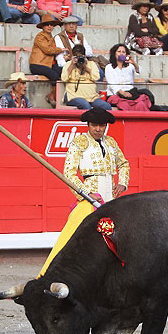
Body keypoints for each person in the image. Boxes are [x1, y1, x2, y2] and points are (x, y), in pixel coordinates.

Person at [37, 107, 129, 276]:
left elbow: (123, 164)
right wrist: (86, 193)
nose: (98, 129)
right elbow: (69, 173)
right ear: (88, 124)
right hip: (89, 199)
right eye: (95, 125)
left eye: (102, 125)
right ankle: (48, 274)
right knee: (72, 238)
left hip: (111, 200)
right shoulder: (79, 142)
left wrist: (122, 183)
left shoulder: (111, 143)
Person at [29, 14, 65, 107]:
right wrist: (61, 50)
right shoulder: (40, 36)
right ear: (43, 26)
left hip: (47, 64)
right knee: (54, 75)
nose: (49, 26)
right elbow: (48, 50)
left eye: (51, 25)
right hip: (37, 64)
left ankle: (52, 95)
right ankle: (53, 97)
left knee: (62, 71)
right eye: (47, 24)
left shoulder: (51, 37)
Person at [62, 44, 112, 109]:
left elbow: (96, 77)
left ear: (85, 56)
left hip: (91, 97)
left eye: (81, 57)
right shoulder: (69, 64)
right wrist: (72, 65)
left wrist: (85, 67)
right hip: (73, 96)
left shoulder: (91, 64)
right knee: (85, 105)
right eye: (77, 57)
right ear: (73, 56)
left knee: (106, 106)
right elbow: (64, 78)